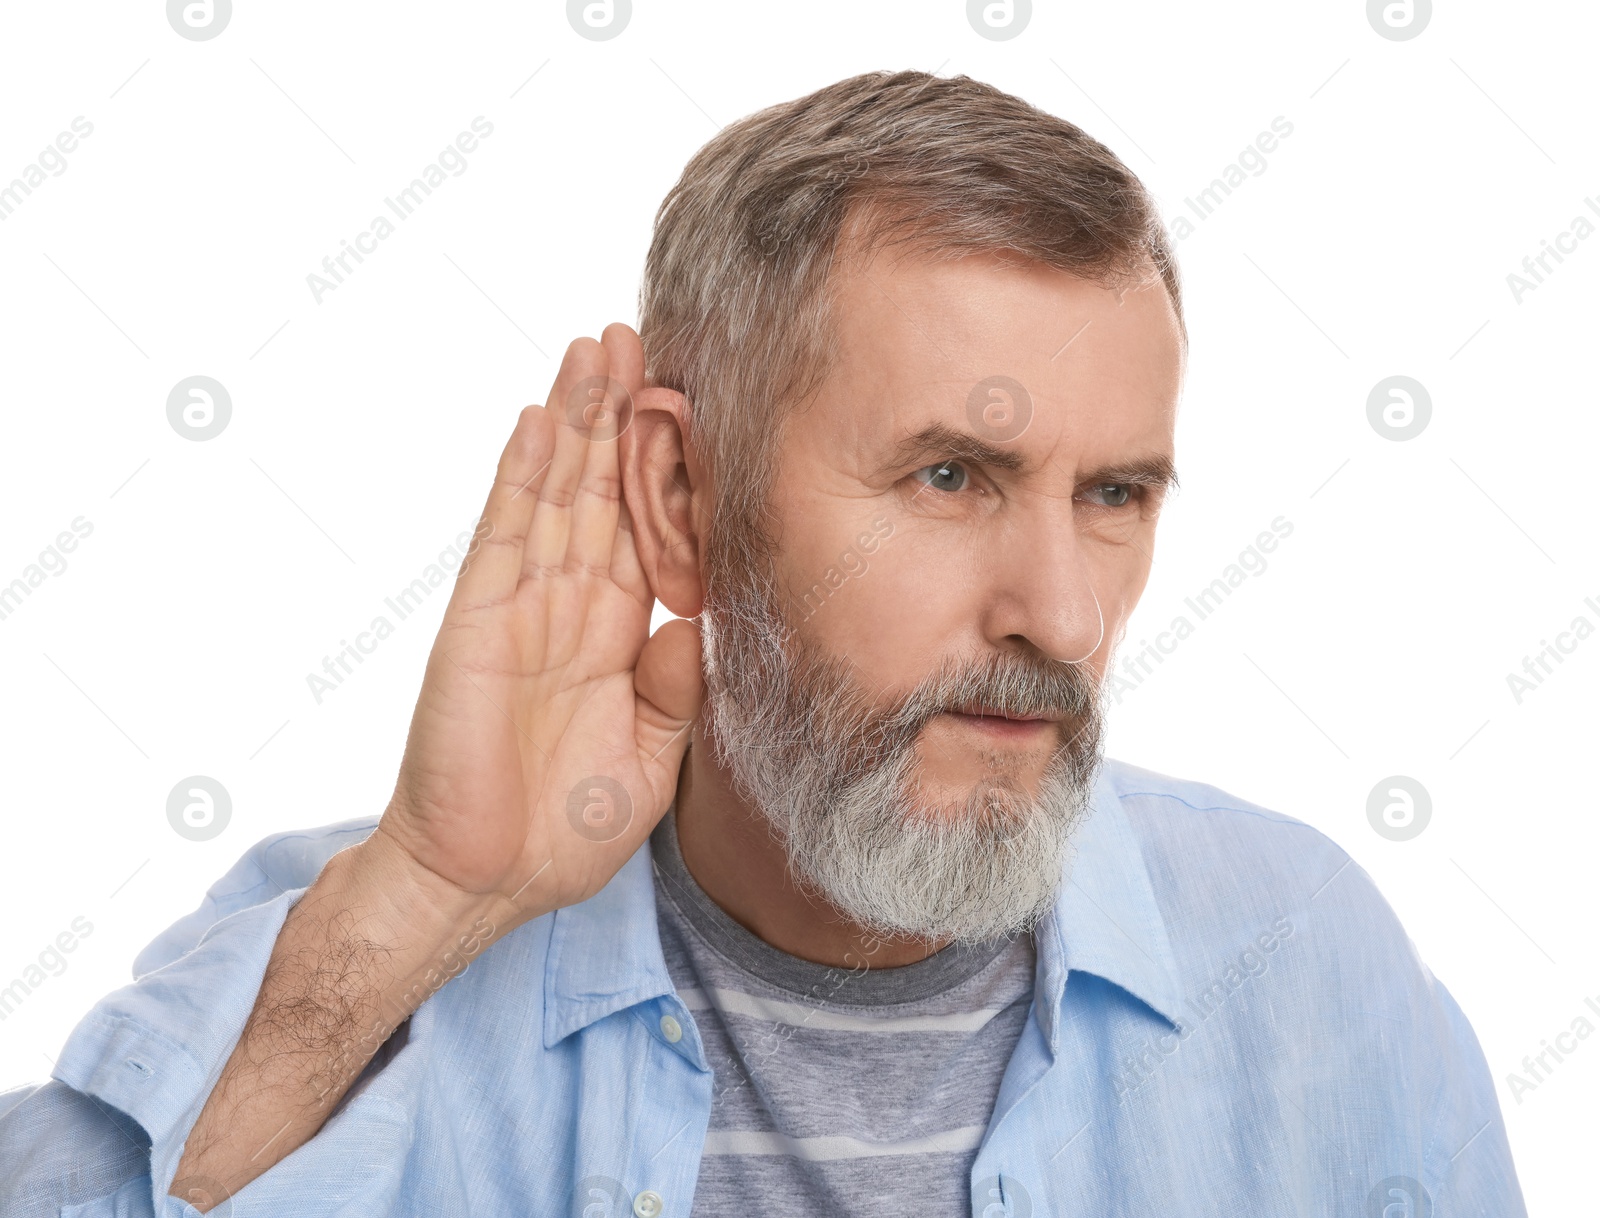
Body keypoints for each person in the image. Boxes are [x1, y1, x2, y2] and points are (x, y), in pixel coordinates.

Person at [1, 70, 1523, 1217]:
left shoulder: (1314, 969)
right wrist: (428, 899)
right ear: (682, 497)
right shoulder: (373, 956)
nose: (1061, 618)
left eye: (1115, 492)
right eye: (951, 477)